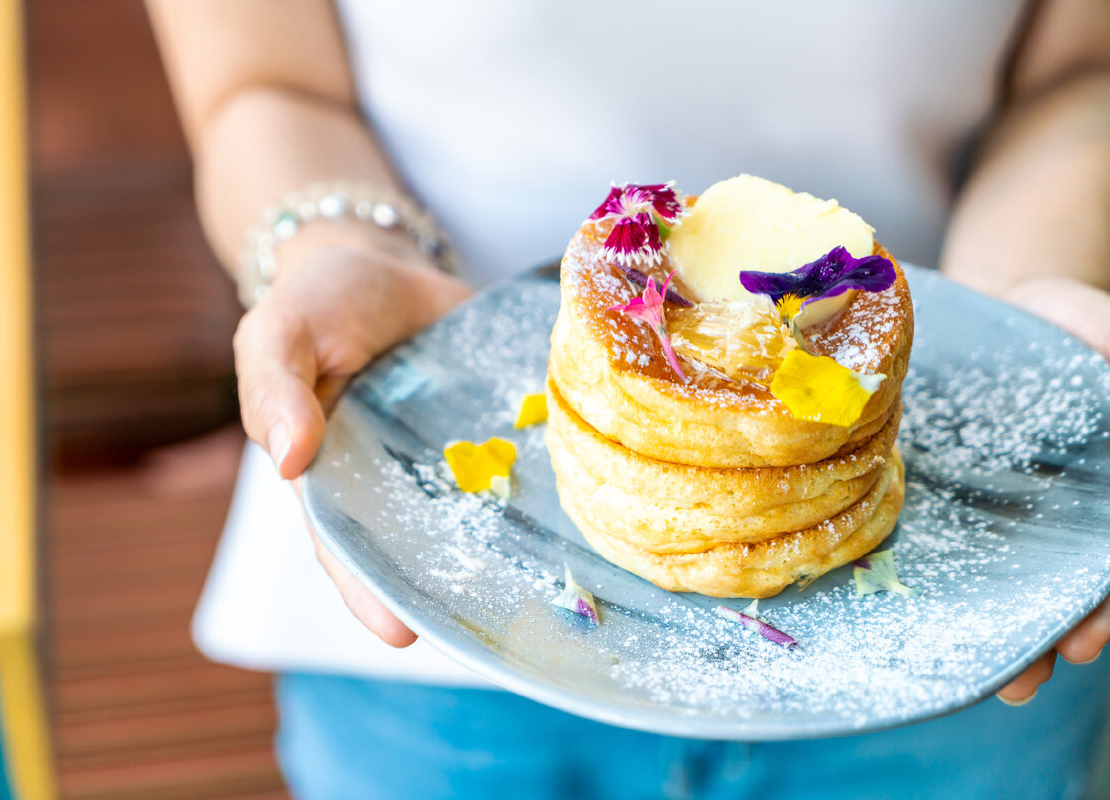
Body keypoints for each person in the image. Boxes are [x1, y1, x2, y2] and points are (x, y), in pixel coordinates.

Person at [147, 1, 1110, 797]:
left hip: (952, 613)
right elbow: (262, 83)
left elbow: (1078, 74)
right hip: (435, 574)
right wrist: (339, 252)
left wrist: (1015, 316)